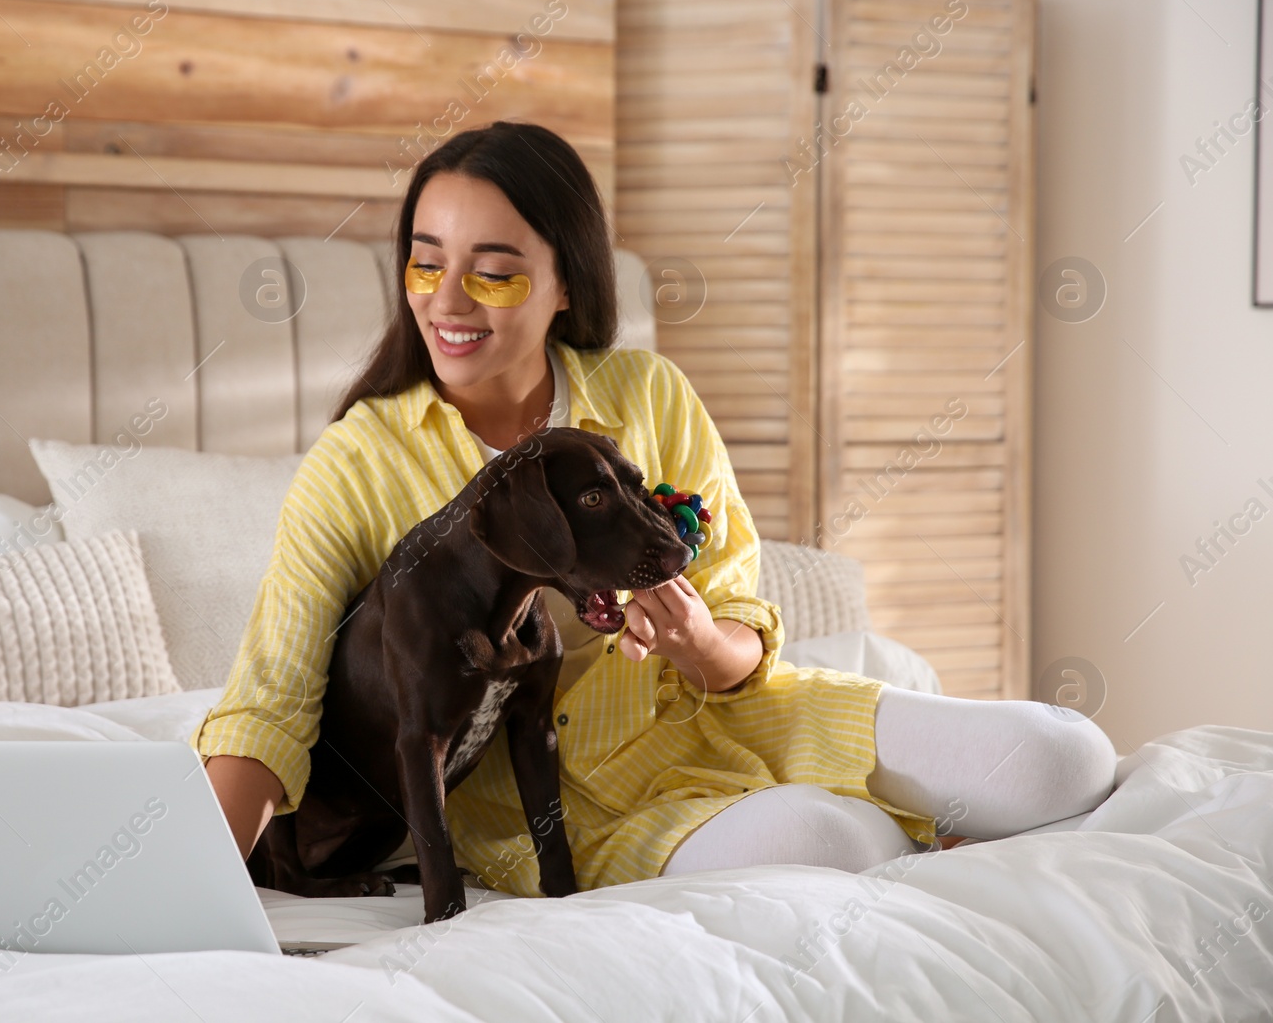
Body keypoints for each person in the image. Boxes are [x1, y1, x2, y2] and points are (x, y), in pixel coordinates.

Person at [192, 120, 1117, 894]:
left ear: (566, 284)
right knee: (833, 849)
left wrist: (696, 641)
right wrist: (189, 885)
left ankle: (930, 829)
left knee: (1063, 759)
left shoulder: (649, 396)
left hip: (732, 715)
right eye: (424, 265)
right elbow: (268, 705)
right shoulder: (360, 461)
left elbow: (742, 626)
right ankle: (917, 838)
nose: (448, 300)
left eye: (495, 271)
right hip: (556, 799)